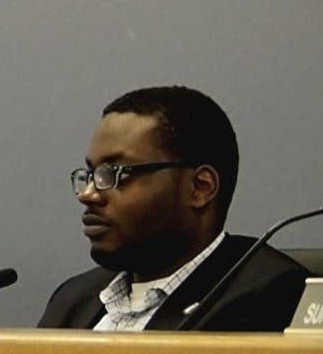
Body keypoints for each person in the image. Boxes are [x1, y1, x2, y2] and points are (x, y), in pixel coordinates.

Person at [38, 85, 307, 332]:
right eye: (91, 173)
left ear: (200, 188)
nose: (88, 194)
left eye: (115, 173)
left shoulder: (271, 296)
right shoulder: (74, 298)